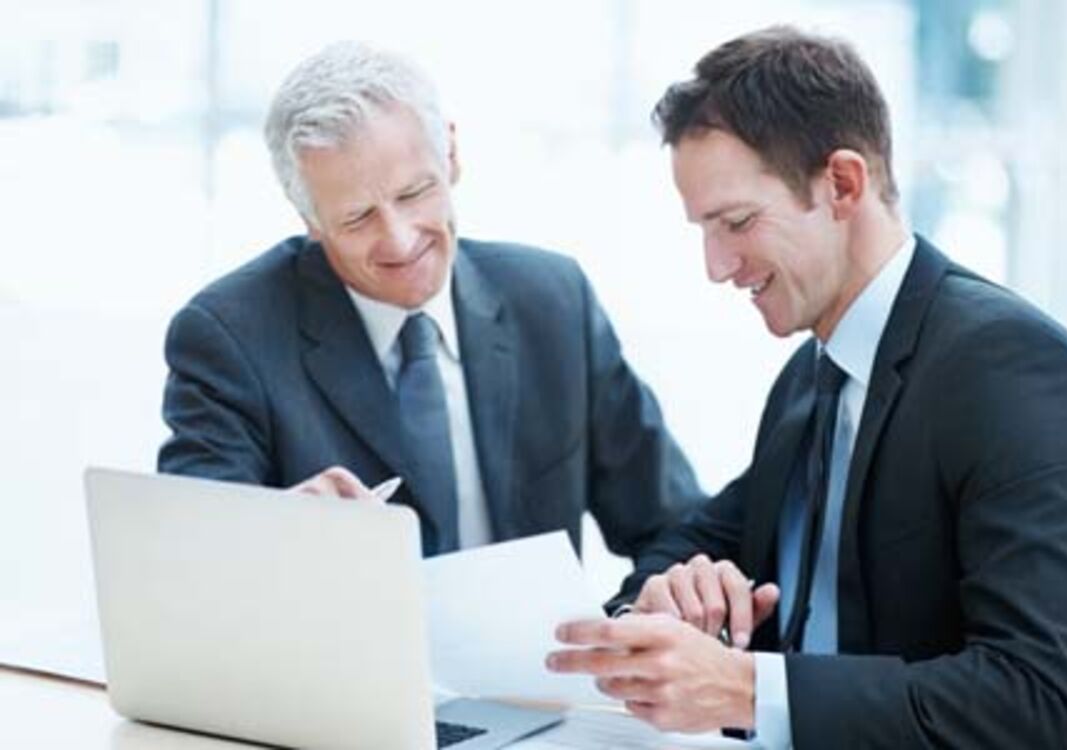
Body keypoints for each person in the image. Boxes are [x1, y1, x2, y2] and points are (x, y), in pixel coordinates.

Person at [547, 26, 1067, 748]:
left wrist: (742, 688)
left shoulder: (1016, 377)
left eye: (736, 222)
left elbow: (1032, 706)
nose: (716, 266)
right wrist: (665, 595)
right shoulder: (817, 377)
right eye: (704, 230)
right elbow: (696, 538)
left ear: (843, 183)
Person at [157, 41, 704, 558]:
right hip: (341, 656)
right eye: (357, 217)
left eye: (413, 193)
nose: (399, 239)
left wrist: (641, 615)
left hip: (532, 656)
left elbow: (676, 527)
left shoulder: (553, 301)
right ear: (309, 220)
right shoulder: (229, 334)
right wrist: (278, 536)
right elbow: (197, 560)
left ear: (452, 155)